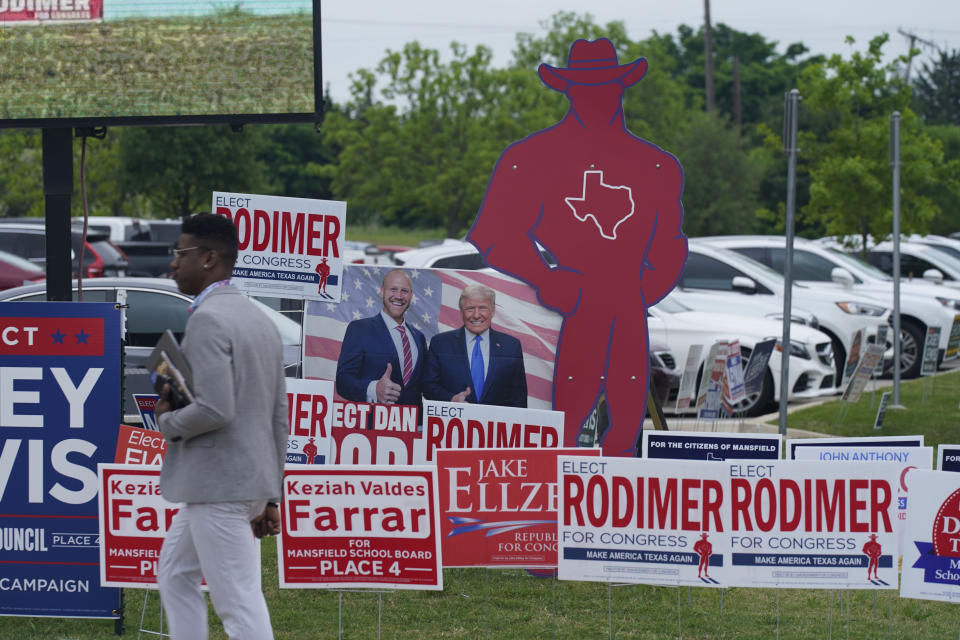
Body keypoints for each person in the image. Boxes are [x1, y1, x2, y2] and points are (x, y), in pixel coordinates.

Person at [467, 38, 687, 456]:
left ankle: (616, 509)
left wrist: (640, 291)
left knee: (625, 429)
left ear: (621, 88)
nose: (598, 98)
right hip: (565, 310)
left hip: (627, 310)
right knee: (561, 428)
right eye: (587, 88)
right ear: (569, 91)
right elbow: (494, 235)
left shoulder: (657, 165)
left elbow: (670, 244)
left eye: (607, 86)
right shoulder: (530, 157)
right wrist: (542, 275)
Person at [155, 212, 287, 640]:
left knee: (239, 603)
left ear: (209, 258)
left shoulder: (209, 319)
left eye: (181, 253)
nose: (174, 263)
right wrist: (271, 497)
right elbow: (277, 418)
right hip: (238, 485)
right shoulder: (261, 320)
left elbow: (215, 410)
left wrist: (167, 420)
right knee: (175, 574)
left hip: (218, 487)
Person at [335, 268, 427, 408]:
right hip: (374, 425)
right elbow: (343, 382)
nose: (399, 296)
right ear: (382, 291)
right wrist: (374, 389)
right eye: (393, 289)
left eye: (404, 291)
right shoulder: (359, 329)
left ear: (411, 295)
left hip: (413, 425)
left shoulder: (419, 337)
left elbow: (423, 385)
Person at [423, 284, 527, 407]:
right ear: (461, 311)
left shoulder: (511, 346)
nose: (476, 315)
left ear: (493, 311)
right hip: (454, 423)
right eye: (470, 309)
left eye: (483, 308)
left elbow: (518, 397)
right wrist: (451, 399)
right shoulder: (440, 343)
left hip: (496, 424)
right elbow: (428, 386)